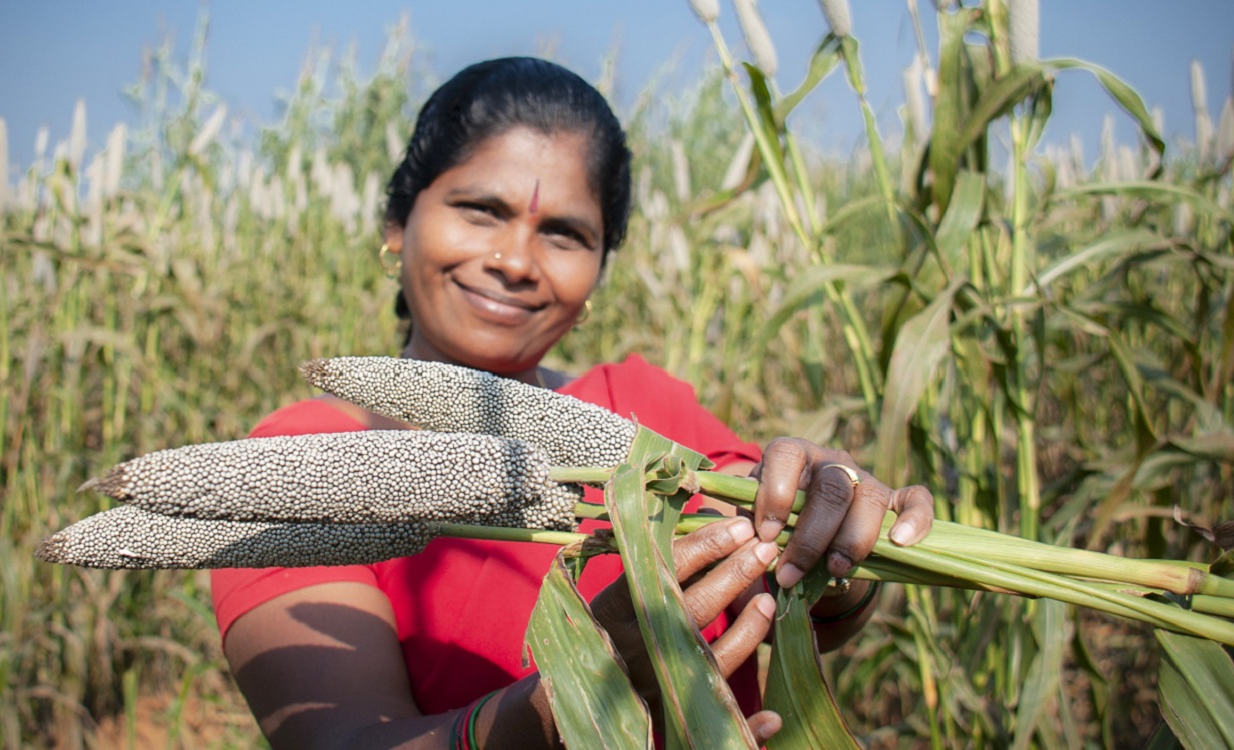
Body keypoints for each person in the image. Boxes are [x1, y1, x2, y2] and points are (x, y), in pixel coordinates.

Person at [210, 56, 934, 748]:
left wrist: (838, 539)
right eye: (479, 210)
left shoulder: (643, 414)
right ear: (397, 224)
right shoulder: (299, 468)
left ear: (597, 273)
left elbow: (802, 597)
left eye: (563, 233)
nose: (516, 262)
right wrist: (583, 691)